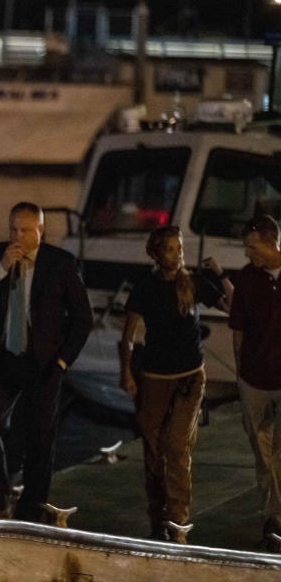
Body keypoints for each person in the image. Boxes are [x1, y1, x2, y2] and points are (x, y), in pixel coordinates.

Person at [0, 202, 93, 521]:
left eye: (25, 231)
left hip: (44, 362)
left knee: (40, 438)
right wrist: (1, 268)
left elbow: (82, 319)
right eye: (12, 230)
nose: (17, 237)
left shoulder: (60, 263)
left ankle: (33, 506)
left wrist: (62, 363)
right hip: (3, 357)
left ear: (40, 231)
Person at [118, 226, 232, 543]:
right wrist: (125, 372)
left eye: (179, 248)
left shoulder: (193, 283)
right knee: (154, 454)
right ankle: (158, 519)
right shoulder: (145, 287)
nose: (177, 253)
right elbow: (127, 336)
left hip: (190, 377)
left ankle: (178, 522)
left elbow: (232, 308)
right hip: (154, 379)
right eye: (170, 248)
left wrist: (221, 275)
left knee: (178, 447)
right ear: (156, 253)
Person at [228, 214, 281, 551]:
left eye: (253, 246)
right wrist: (239, 373)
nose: (248, 254)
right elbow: (238, 331)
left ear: (273, 241)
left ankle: (276, 519)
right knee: (262, 455)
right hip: (253, 379)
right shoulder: (247, 278)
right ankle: (272, 518)